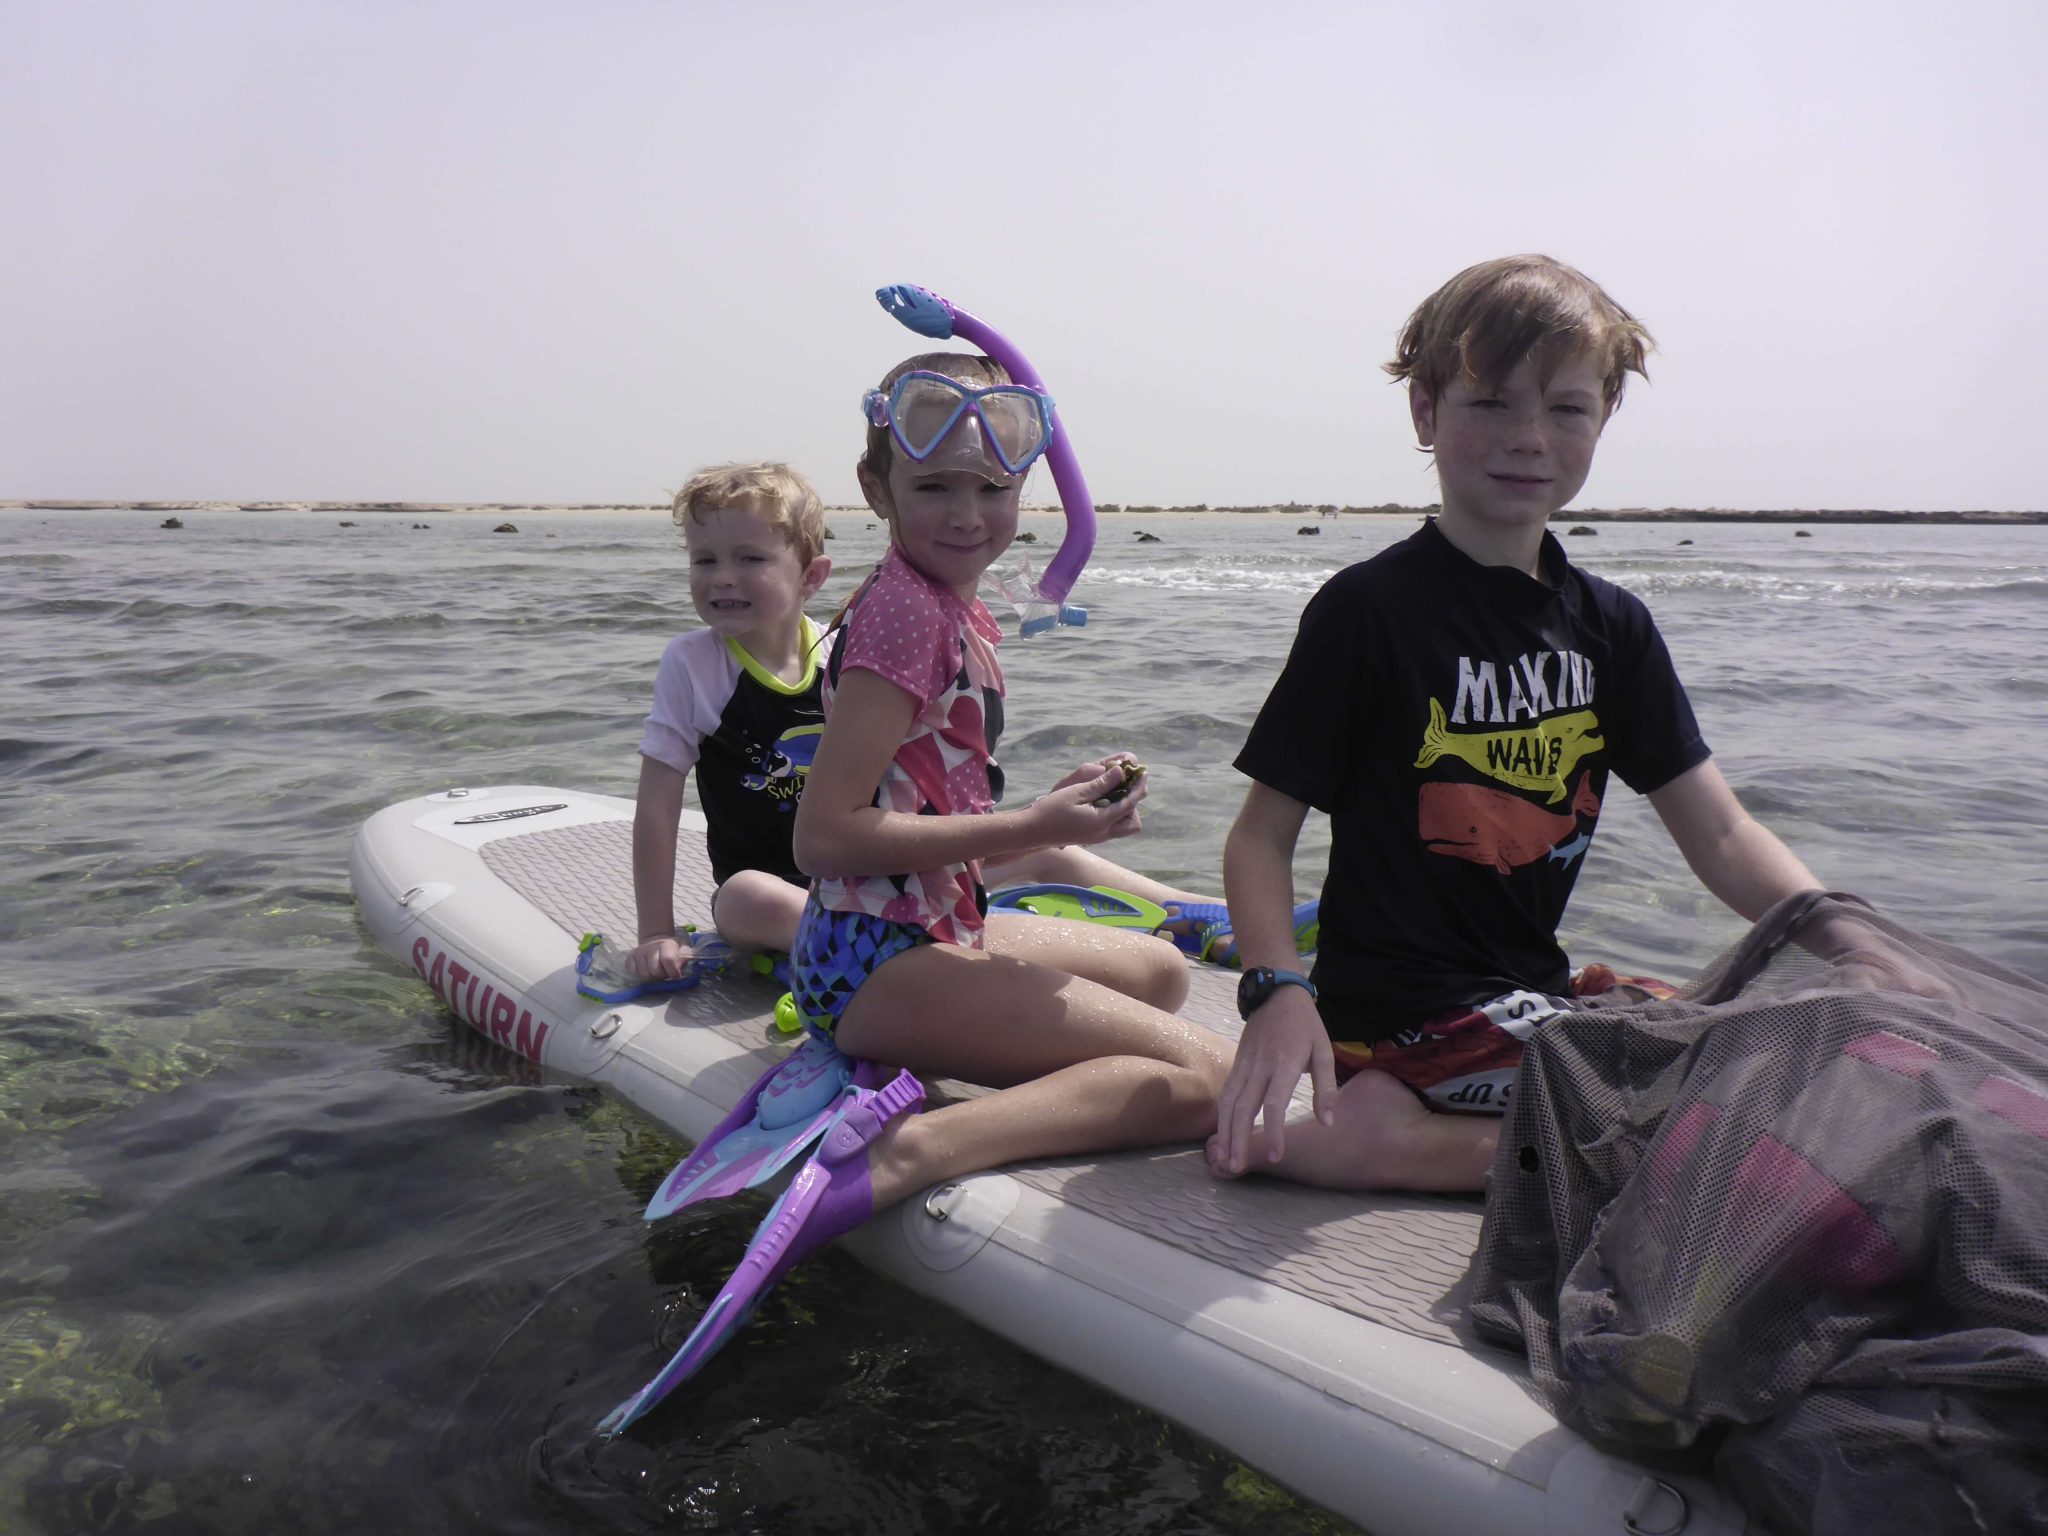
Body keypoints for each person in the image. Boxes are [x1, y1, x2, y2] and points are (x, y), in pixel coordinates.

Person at [1208, 254, 1839, 1195]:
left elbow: (1722, 831)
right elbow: (1261, 839)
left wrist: (1844, 933)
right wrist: (1276, 992)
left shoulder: (1612, 627)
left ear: (1604, 419)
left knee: (1776, 1059)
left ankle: (1410, 1129)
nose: (1529, 438)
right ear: (1425, 412)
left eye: (1567, 409)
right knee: (1701, 1124)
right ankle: (1383, 1128)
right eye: (1490, 403)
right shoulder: (1367, 611)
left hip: (1526, 1000)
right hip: (1396, 1012)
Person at [779, 349, 1231, 1216]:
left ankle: (929, 1049)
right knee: (1209, 1076)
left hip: (926, 935)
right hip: (877, 961)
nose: (967, 515)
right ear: (877, 492)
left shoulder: (949, 602)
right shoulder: (908, 610)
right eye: (936, 488)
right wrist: (1034, 827)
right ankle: (918, 1146)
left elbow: (922, 787)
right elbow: (824, 835)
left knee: (1160, 973)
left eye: (992, 489)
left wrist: (1051, 811)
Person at [625, 464, 1258, 984]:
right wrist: (656, 930)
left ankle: (1217, 918)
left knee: (1053, 849)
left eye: (749, 558)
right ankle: (882, 953)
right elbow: (658, 805)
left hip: (887, 875)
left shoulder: (848, 653)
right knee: (745, 894)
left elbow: (927, 801)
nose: (722, 578)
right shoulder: (693, 666)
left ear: (812, 576)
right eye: (703, 561)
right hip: (785, 891)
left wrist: (1044, 814)